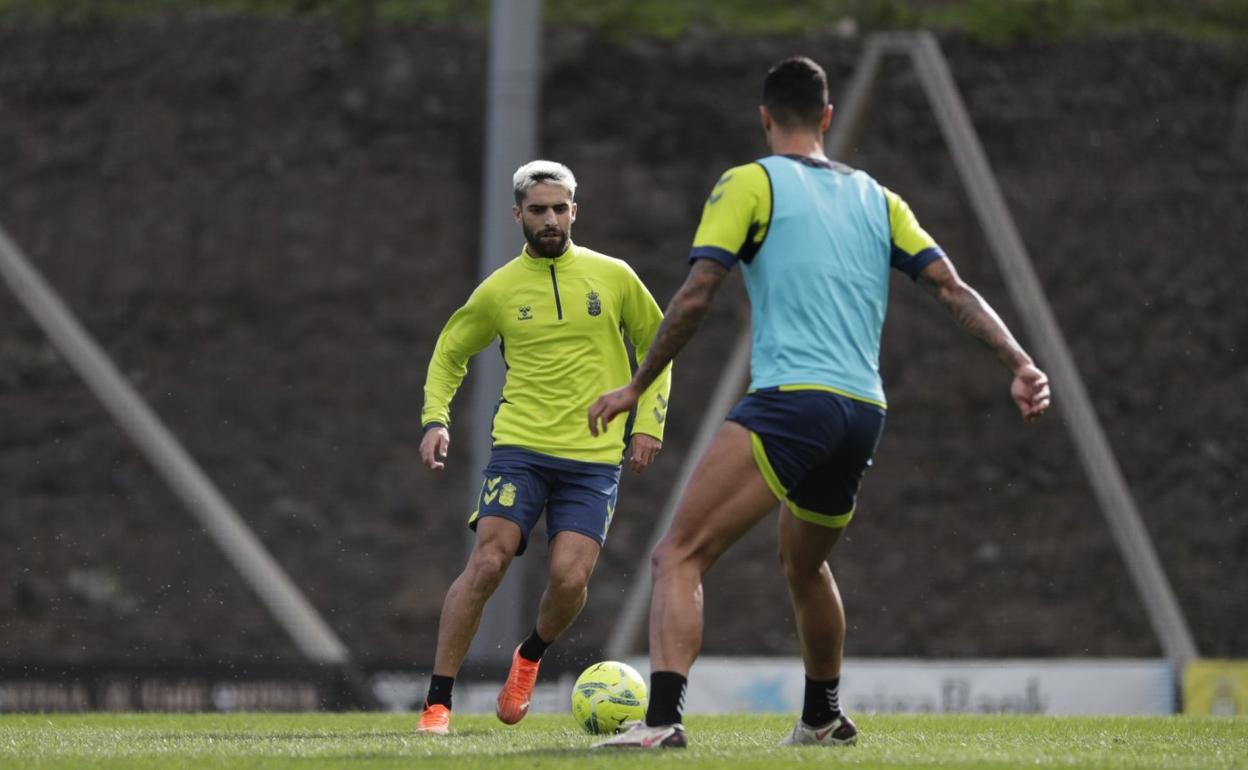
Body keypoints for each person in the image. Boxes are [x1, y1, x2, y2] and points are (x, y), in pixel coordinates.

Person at [587, 57, 1051, 749]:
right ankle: (823, 715)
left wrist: (636, 384)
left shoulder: (750, 182)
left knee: (677, 555)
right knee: (805, 564)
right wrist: (1019, 360)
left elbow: (696, 294)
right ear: (827, 118)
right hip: (863, 412)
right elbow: (951, 287)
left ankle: (660, 724)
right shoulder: (878, 198)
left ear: (765, 116)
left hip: (791, 402)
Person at [414, 160, 672, 735]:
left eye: (560, 208)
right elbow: (449, 352)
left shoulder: (615, 276)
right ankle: (438, 704)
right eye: (538, 210)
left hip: (593, 458)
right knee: (487, 560)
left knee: (569, 579)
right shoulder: (500, 290)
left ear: (575, 210)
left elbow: (659, 346)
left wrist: (649, 421)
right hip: (521, 448)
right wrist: (436, 419)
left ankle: (529, 657)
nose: (550, 219)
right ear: (518, 217)